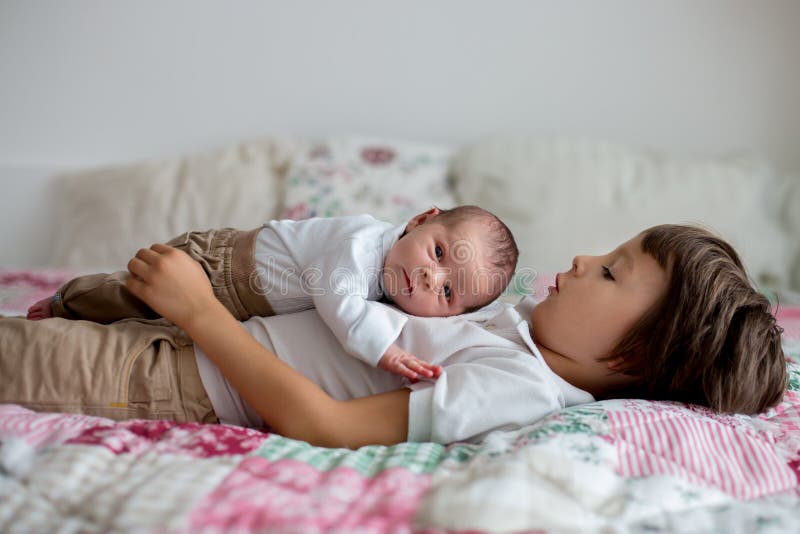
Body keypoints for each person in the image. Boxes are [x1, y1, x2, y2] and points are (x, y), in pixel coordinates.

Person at [0, 224, 786, 448]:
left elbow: (327, 425)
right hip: (201, 335)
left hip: (180, 378)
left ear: (631, 357)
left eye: (611, 273)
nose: (583, 259)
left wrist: (201, 313)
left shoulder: (518, 385)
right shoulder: (514, 323)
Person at [25, 205, 518, 382]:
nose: (432, 279)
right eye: (437, 253)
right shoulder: (361, 244)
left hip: (243, 306)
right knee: (130, 295)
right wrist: (383, 351)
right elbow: (340, 304)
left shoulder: (396, 286)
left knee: (161, 326)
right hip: (222, 266)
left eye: (450, 291)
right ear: (418, 221)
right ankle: (68, 301)